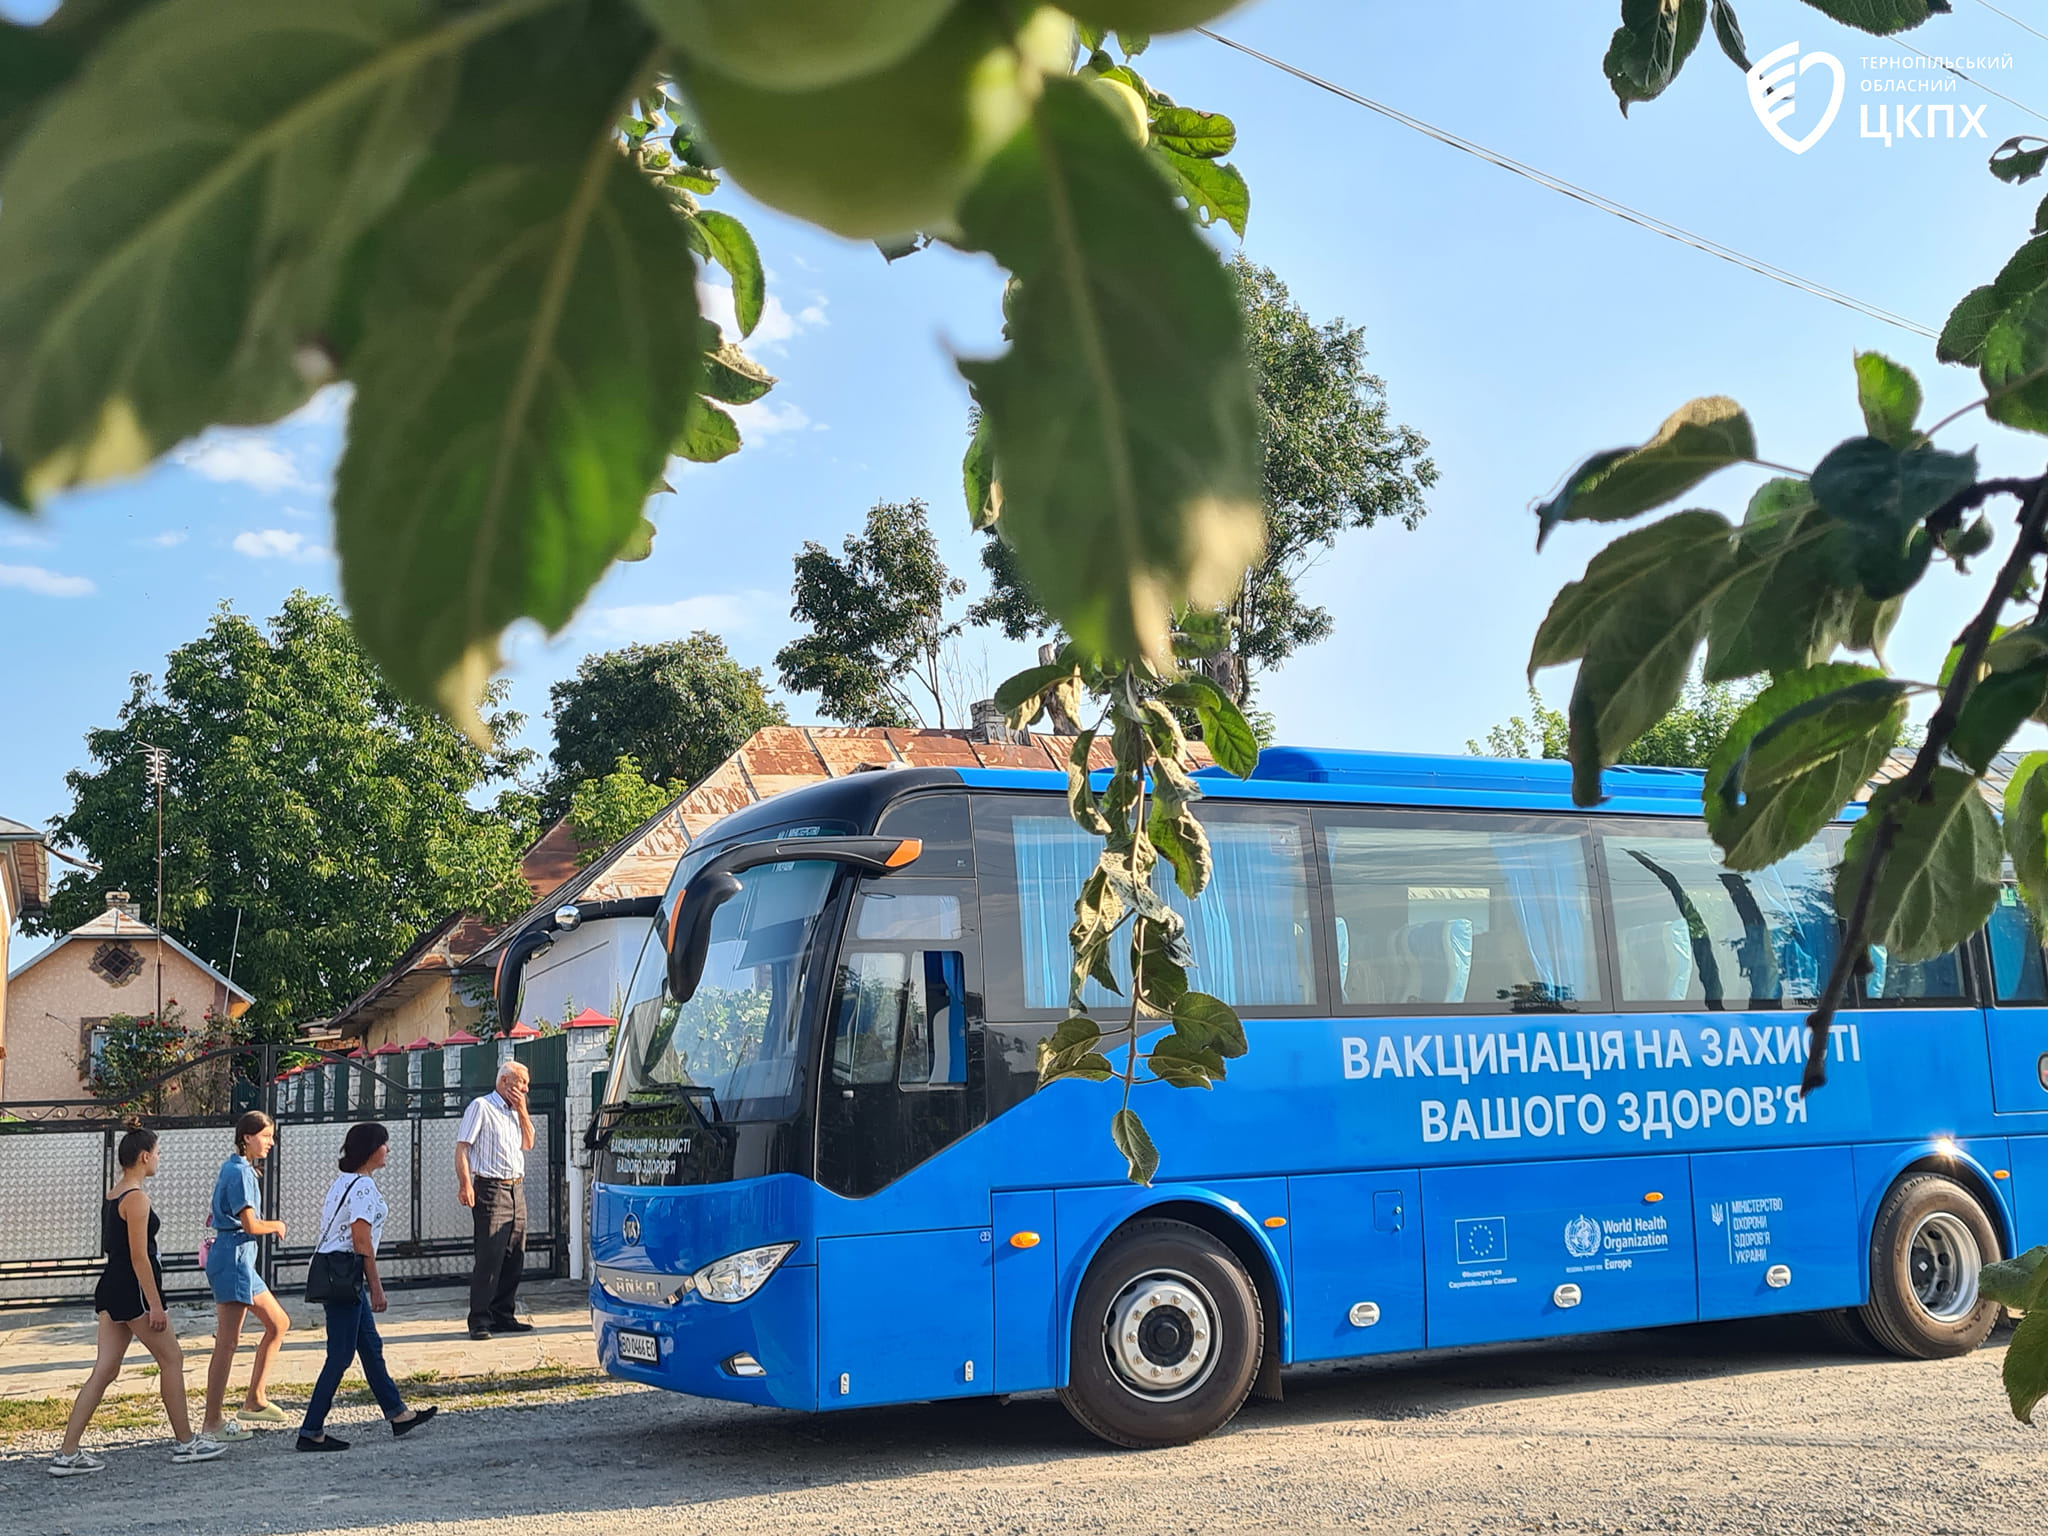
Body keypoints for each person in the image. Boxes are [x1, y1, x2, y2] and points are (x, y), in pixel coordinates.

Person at [49, 1122, 228, 1475]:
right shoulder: (137, 1198)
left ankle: (67, 1454)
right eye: (158, 1153)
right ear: (145, 1156)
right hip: (133, 1290)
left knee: (105, 1369)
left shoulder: (114, 1194)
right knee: (172, 1359)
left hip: (111, 1286)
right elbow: (138, 1256)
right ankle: (186, 1442)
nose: (159, 1159)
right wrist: (155, 1304)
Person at [297, 1122, 437, 1451]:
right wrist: (376, 1286)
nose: (388, 1150)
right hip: (348, 1276)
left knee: (370, 1348)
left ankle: (398, 1414)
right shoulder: (362, 1188)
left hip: (339, 1273)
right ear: (372, 1149)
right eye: (384, 1144)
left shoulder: (345, 1183)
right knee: (340, 1355)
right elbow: (360, 1238)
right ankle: (311, 1429)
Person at [200, 1110, 291, 1440]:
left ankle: (254, 1399)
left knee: (278, 1323)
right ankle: (212, 1423)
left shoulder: (235, 1167)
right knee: (227, 1343)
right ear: (248, 1137)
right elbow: (251, 1224)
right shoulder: (240, 1172)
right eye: (266, 1136)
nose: (271, 1143)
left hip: (238, 1259)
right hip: (234, 1259)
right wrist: (276, 1226)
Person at [454, 1061, 535, 1340]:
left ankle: (504, 1314)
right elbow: (463, 1147)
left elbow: (529, 1143)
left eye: (526, 1084)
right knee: (490, 1256)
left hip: (516, 1189)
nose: (525, 1089)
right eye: (521, 1083)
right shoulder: (482, 1107)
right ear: (504, 1082)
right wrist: (465, 1184)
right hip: (490, 1189)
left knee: (515, 1254)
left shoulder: (516, 1112)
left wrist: (523, 1111)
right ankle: (479, 1320)